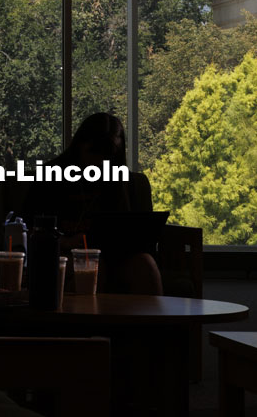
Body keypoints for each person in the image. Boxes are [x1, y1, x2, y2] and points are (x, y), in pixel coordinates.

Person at [22, 112, 163, 295]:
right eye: (93, 152)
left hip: (114, 256)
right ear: (79, 146)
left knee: (146, 265)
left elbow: (136, 232)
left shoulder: (124, 183)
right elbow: (28, 228)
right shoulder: (50, 177)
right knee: (91, 264)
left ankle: (156, 324)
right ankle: (89, 322)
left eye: (108, 156)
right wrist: (67, 241)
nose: (99, 162)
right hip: (64, 254)